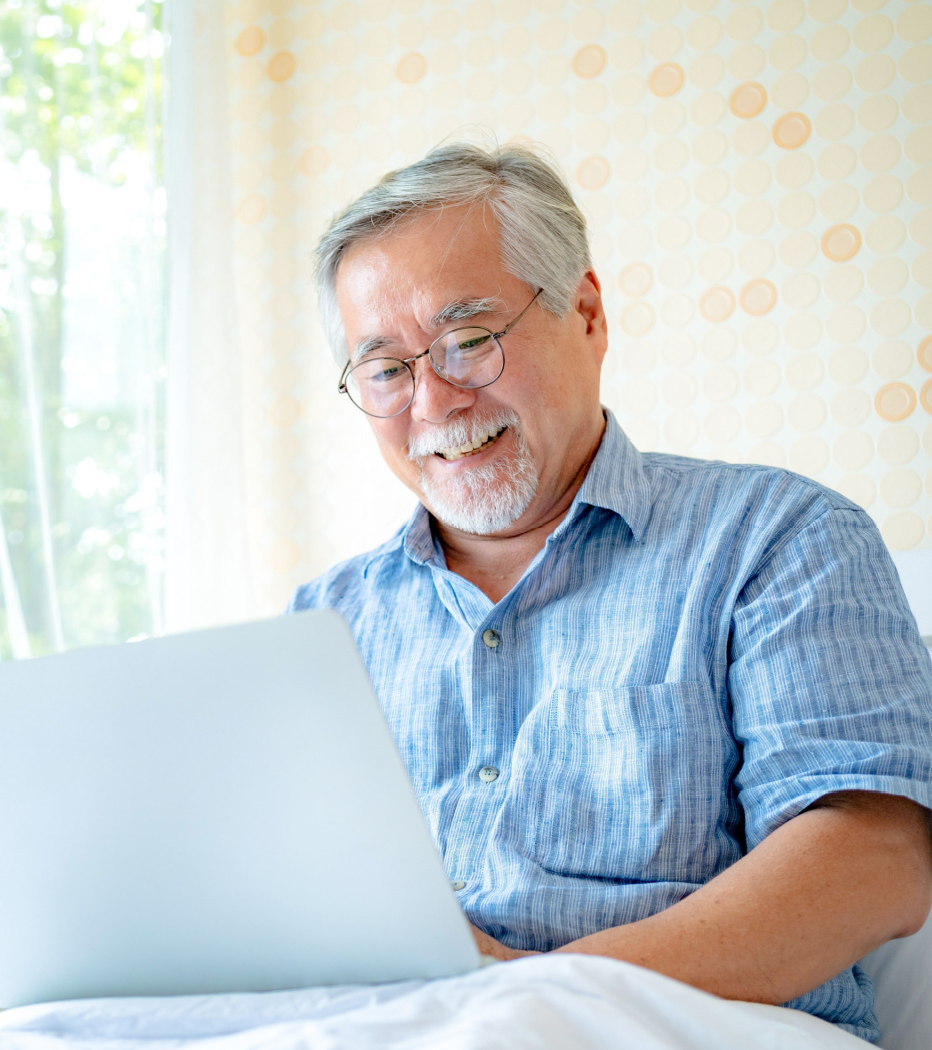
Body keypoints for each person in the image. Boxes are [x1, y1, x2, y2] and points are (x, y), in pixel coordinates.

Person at [289, 141, 932, 1041]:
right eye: (388, 369)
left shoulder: (782, 539)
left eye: (469, 340)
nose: (432, 403)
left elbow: (877, 863)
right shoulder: (321, 622)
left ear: (586, 314)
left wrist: (531, 991)